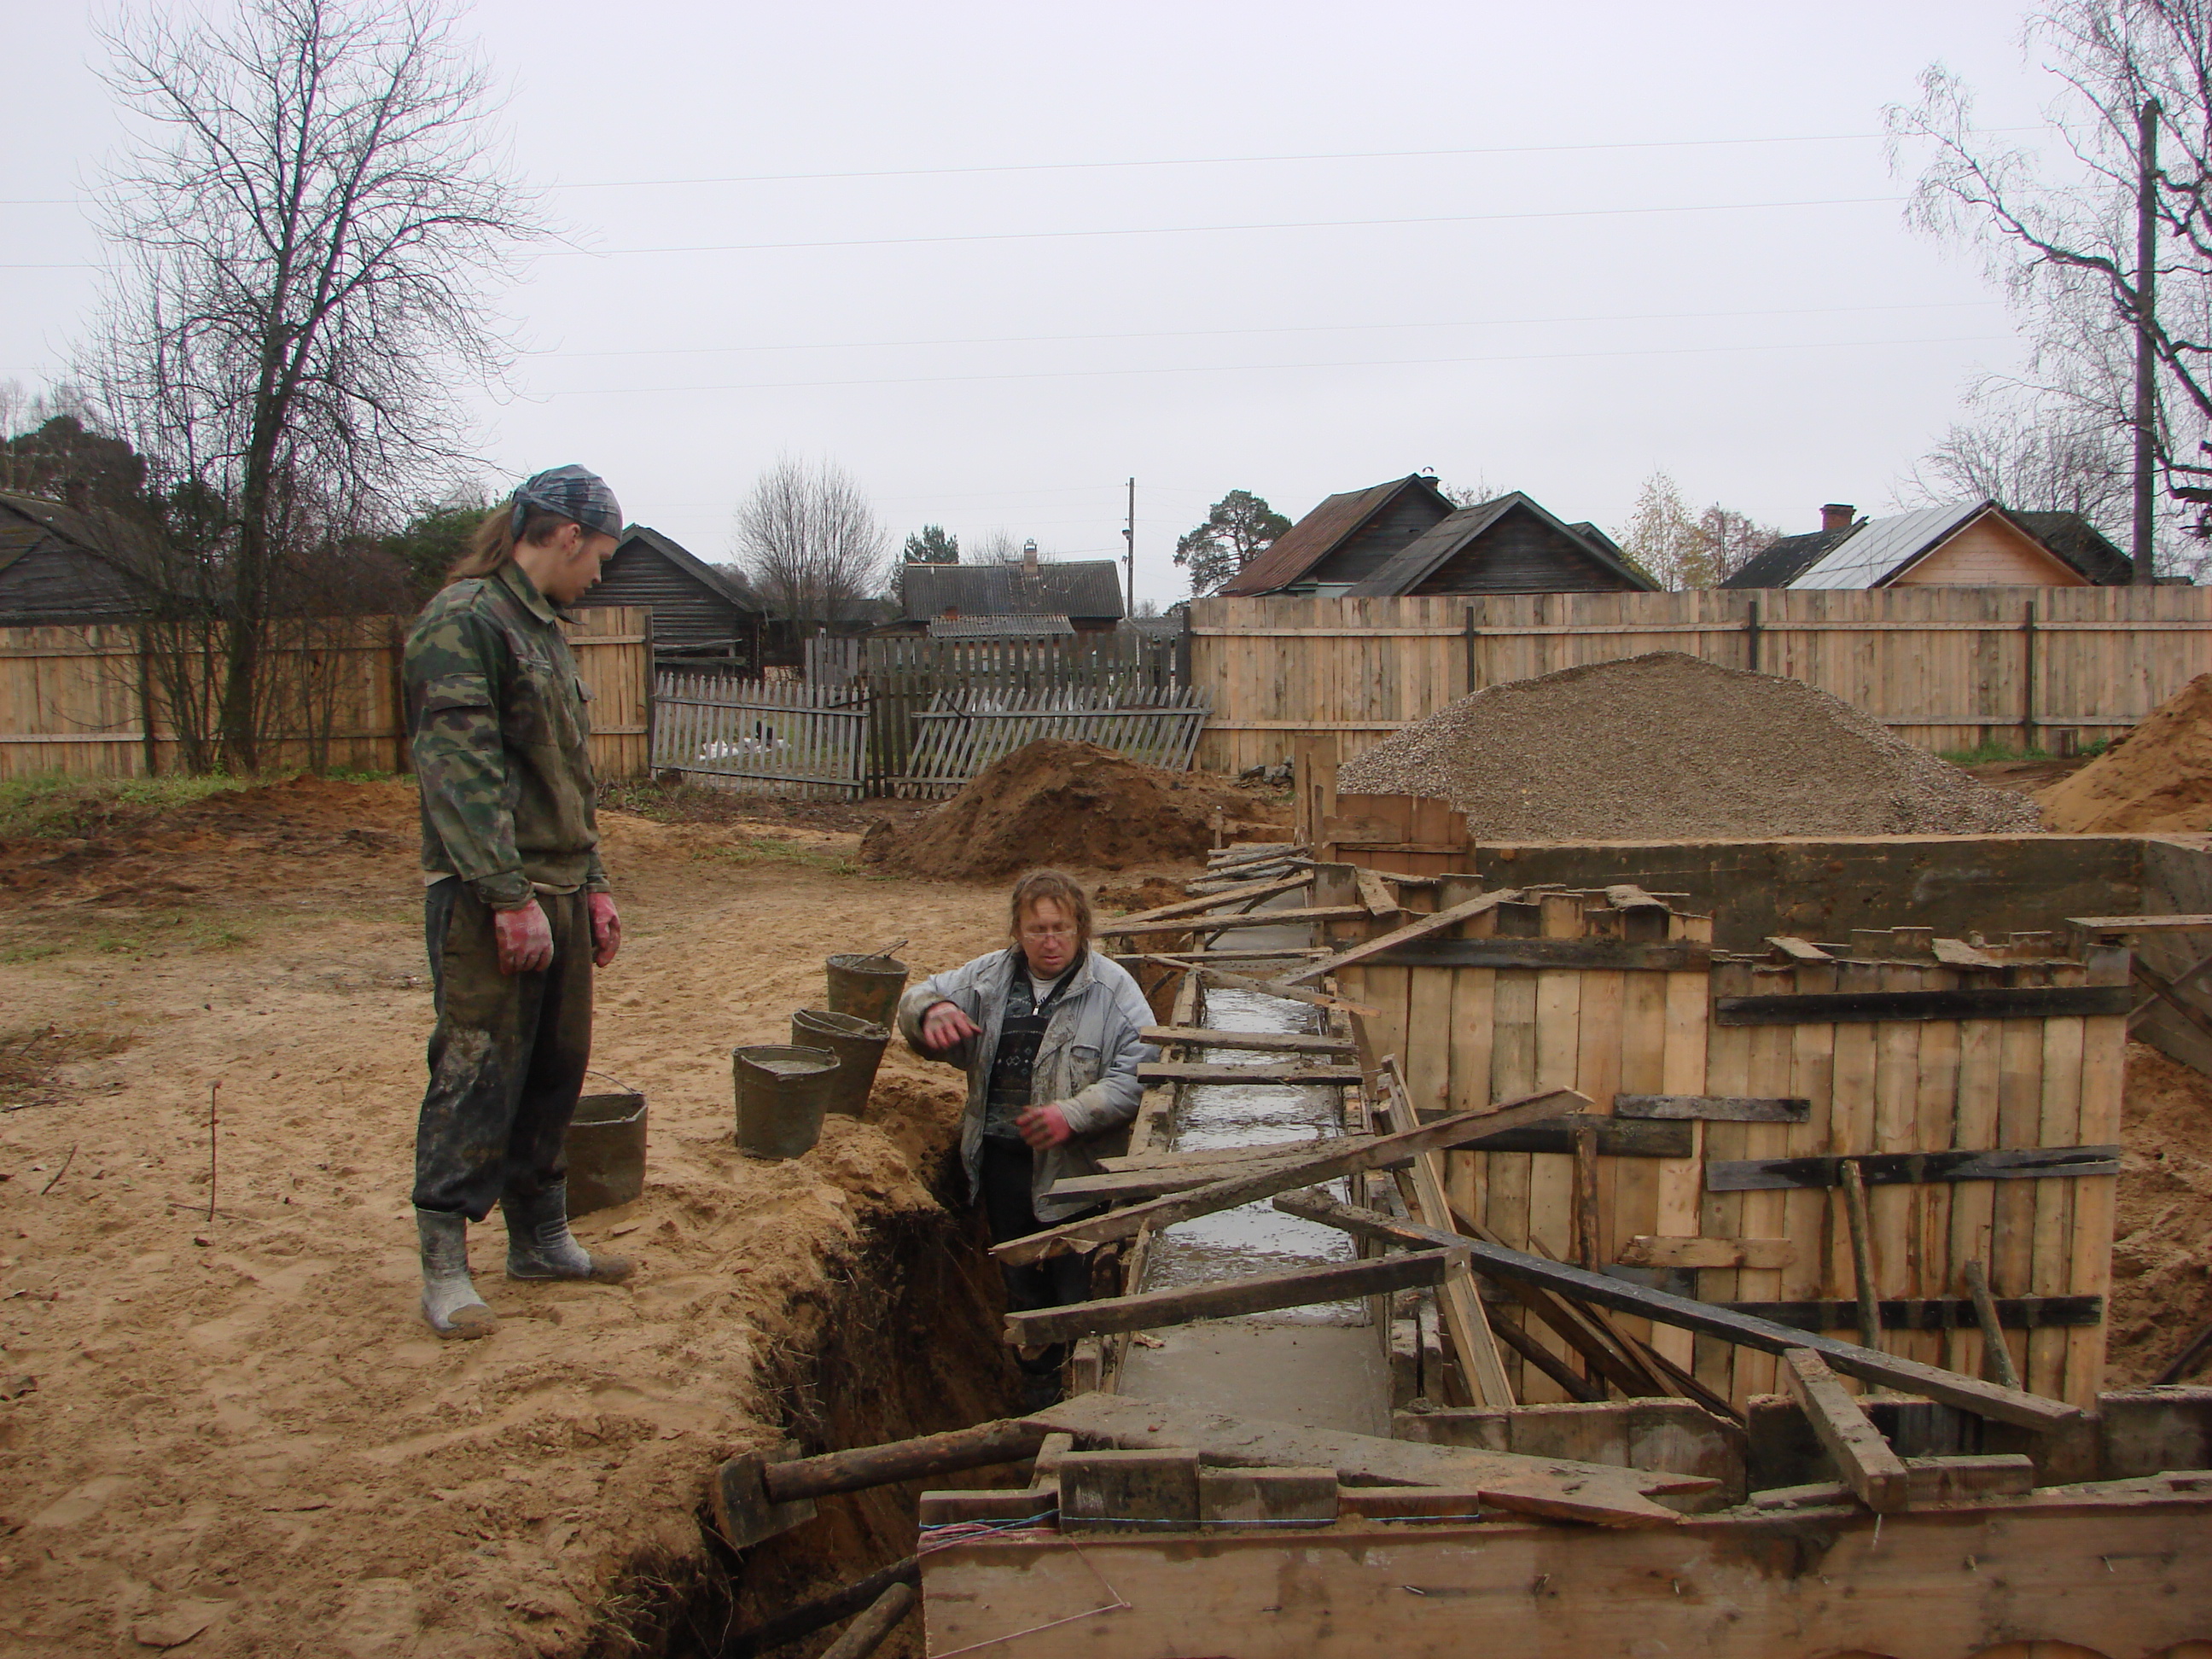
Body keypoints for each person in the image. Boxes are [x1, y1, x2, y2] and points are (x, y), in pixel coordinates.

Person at [403, 464, 637, 1339]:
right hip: (489, 893)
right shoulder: (465, 623)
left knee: (554, 1068)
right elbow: (460, 775)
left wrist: (597, 882)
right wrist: (506, 896)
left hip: (563, 887)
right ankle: (444, 1264)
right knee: (477, 1070)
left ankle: (539, 1237)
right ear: (566, 536)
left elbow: (565, 778)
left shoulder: (545, 632)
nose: (600, 576)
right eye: (600, 557)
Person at [897, 870, 1155, 1404]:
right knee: (1022, 1287)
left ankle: (1083, 1393)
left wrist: (1075, 1114)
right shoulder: (987, 978)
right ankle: (1037, 1394)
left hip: (1079, 1177)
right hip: (1002, 1168)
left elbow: (1140, 1070)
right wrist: (931, 1010)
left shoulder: (1112, 990)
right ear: (1017, 929)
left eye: (1061, 927)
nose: (1050, 940)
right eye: (1036, 929)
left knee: (1076, 1288)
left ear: (1081, 927)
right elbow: (918, 995)